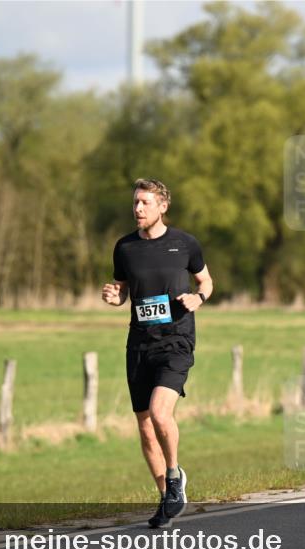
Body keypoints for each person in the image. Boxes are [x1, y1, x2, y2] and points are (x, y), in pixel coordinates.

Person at [102, 179, 213, 527]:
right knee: (145, 426)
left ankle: (175, 475)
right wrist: (113, 297)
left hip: (176, 340)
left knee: (160, 412)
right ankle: (167, 496)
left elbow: (206, 281)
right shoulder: (124, 248)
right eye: (135, 202)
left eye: (145, 203)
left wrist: (199, 298)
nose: (137, 209)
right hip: (139, 343)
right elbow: (123, 291)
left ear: (162, 206)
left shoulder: (184, 244)